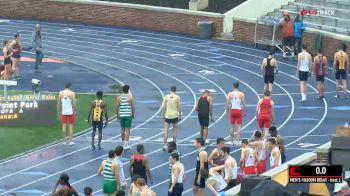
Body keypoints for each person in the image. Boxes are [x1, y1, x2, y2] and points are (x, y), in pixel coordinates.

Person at [162, 86, 181, 151]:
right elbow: (179, 107)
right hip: (174, 116)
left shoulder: (166, 97)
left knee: (166, 130)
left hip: (168, 115)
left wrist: (163, 114)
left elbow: (164, 106)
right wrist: (180, 115)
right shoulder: (177, 97)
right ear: (175, 91)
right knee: (174, 130)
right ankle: (174, 146)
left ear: (170, 90)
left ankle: (165, 145)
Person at [116, 85, 134, 150]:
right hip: (128, 115)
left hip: (122, 115)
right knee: (128, 130)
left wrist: (117, 115)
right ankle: (125, 144)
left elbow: (117, 107)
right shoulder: (130, 97)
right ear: (128, 90)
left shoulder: (119, 97)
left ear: (122, 90)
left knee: (122, 129)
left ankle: (123, 143)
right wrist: (133, 114)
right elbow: (132, 107)